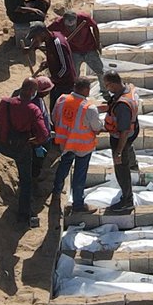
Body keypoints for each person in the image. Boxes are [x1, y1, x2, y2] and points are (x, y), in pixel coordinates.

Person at [0, 77, 51, 229]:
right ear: (32, 92)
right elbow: (44, 134)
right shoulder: (33, 109)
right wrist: (36, 142)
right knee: (26, 182)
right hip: (22, 148)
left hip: (4, 144)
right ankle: (23, 216)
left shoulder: (5, 102)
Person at [51, 77, 103, 212]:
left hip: (65, 142)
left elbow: (54, 117)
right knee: (80, 175)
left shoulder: (62, 99)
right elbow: (97, 127)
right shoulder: (89, 108)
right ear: (86, 89)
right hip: (82, 146)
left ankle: (56, 192)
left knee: (63, 166)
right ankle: (78, 204)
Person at [101, 70, 140, 211]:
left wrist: (118, 152)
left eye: (107, 85)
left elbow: (124, 132)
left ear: (113, 84)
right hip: (133, 130)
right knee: (129, 149)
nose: (106, 88)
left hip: (122, 138)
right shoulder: (128, 89)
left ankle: (127, 199)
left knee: (121, 169)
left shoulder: (122, 106)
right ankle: (133, 164)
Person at [51, 8, 104, 81]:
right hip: (74, 52)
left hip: (90, 49)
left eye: (72, 26)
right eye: (68, 27)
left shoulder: (83, 18)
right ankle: (76, 90)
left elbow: (95, 27)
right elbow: (48, 33)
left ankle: (104, 90)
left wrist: (98, 43)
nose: (70, 28)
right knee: (74, 75)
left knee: (100, 71)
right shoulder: (58, 23)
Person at [35, 22, 78, 113]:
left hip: (65, 85)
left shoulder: (58, 43)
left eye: (36, 37)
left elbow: (65, 68)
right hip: (57, 83)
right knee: (54, 111)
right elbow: (56, 57)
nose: (35, 39)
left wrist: (52, 79)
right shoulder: (48, 40)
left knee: (61, 112)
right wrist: (48, 63)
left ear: (43, 33)